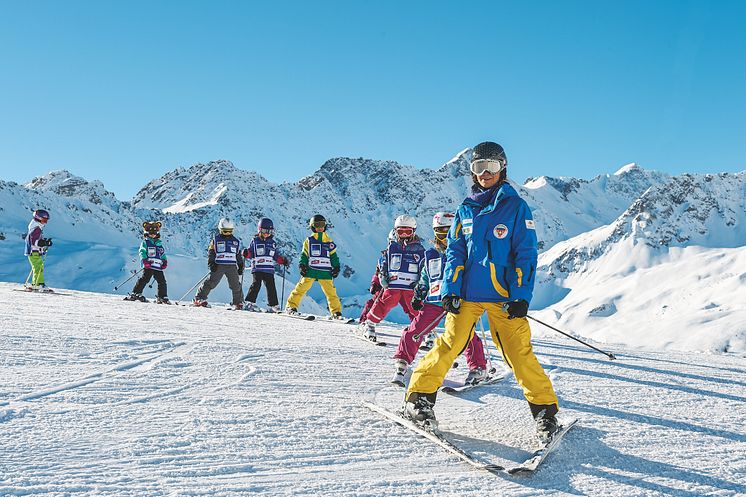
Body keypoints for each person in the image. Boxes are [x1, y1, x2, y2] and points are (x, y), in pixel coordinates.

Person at [403, 141, 561, 444]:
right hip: (467, 295)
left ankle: (545, 412)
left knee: (519, 352)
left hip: (503, 296)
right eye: (478, 167)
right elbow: (455, 253)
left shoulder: (516, 207)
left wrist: (521, 295)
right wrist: (450, 288)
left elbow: (525, 253)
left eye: (491, 166)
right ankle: (419, 398)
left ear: (503, 168)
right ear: (472, 172)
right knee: (449, 344)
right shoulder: (466, 209)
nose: (485, 173)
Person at [391, 212, 488, 386]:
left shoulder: (466, 252)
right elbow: (425, 277)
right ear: (435, 233)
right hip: (435, 300)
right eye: (441, 232)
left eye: (449, 231)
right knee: (415, 329)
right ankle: (403, 361)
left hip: (459, 300)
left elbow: (476, 274)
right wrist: (419, 294)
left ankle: (478, 368)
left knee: (466, 335)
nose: (446, 236)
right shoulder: (431, 254)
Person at [360, 215, 425, 342]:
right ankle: (370, 324)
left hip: (411, 286)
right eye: (401, 232)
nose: (404, 235)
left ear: (414, 231)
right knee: (384, 303)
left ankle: (424, 330)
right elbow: (383, 263)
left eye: (408, 232)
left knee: (416, 307)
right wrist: (380, 278)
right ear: (395, 231)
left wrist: (421, 283)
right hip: (393, 284)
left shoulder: (419, 250)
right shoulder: (392, 247)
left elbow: (424, 268)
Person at [285, 214, 344, 319]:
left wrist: (336, 267)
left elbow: (333, 256)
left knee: (331, 292)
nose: (320, 227)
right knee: (301, 288)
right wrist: (302, 265)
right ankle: (291, 306)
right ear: (313, 227)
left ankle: (336, 312)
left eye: (322, 224)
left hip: (325, 271)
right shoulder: (309, 241)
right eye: (317, 225)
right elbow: (304, 254)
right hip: (311, 270)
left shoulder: (329, 241)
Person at [193, 218, 245, 310]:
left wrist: (240, 265)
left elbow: (238, 255)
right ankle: (199, 298)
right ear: (220, 229)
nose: (227, 234)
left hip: (232, 265)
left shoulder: (235, 241)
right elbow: (211, 252)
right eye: (225, 232)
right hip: (219, 264)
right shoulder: (216, 240)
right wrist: (211, 263)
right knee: (211, 282)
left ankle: (238, 302)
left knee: (235, 284)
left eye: (229, 232)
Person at [243, 217, 290, 312]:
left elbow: (275, 255)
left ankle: (273, 306)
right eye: (265, 230)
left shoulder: (272, 243)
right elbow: (250, 253)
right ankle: (249, 303)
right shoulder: (255, 241)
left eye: (269, 231)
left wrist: (282, 260)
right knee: (256, 284)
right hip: (258, 268)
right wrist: (246, 253)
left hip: (269, 269)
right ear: (259, 229)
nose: (267, 233)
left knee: (271, 286)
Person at [125, 221, 170, 304]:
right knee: (145, 279)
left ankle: (162, 296)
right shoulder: (145, 242)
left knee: (162, 281)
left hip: (157, 265)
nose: (153, 234)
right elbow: (142, 251)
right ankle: (136, 293)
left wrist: (164, 261)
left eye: (155, 232)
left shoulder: (159, 244)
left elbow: (162, 253)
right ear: (147, 233)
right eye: (151, 233)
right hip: (149, 264)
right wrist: (144, 260)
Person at [24, 209, 53, 292]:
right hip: (34, 251)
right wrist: (44, 242)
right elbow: (33, 241)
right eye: (44, 220)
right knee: (38, 267)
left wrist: (45, 243)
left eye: (46, 220)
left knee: (38, 266)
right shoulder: (36, 228)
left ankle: (37, 283)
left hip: (34, 251)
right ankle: (38, 284)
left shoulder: (36, 227)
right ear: (38, 218)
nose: (45, 222)